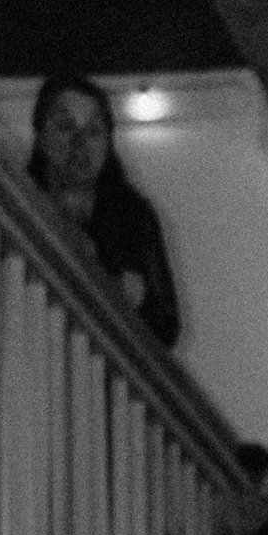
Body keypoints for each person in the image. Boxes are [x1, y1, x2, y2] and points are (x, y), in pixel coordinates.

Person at [27, 75, 181, 350]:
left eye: (94, 131)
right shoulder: (23, 203)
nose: (80, 142)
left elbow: (166, 325)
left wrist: (134, 302)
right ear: (41, 136)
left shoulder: (133, 215)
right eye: (65, 126)